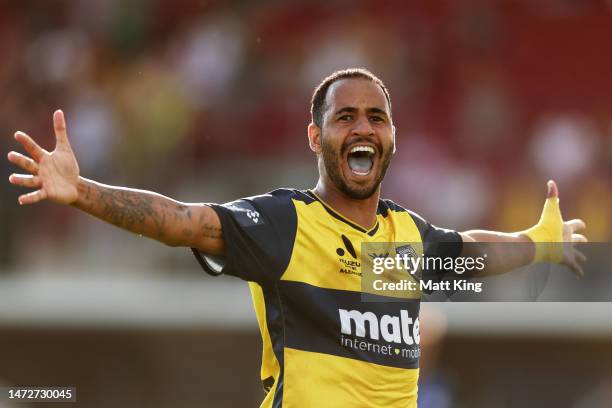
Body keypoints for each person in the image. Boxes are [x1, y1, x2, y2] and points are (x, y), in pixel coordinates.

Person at [7, 68, 586, 407]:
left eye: (376, 117)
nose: (363, 127)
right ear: (315, 137)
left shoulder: (402, 242)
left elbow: (472, 255)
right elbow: (182, 220)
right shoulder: (286, 226)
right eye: (345, 117)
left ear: (391, 136)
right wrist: (82, 192)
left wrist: (540, 241)